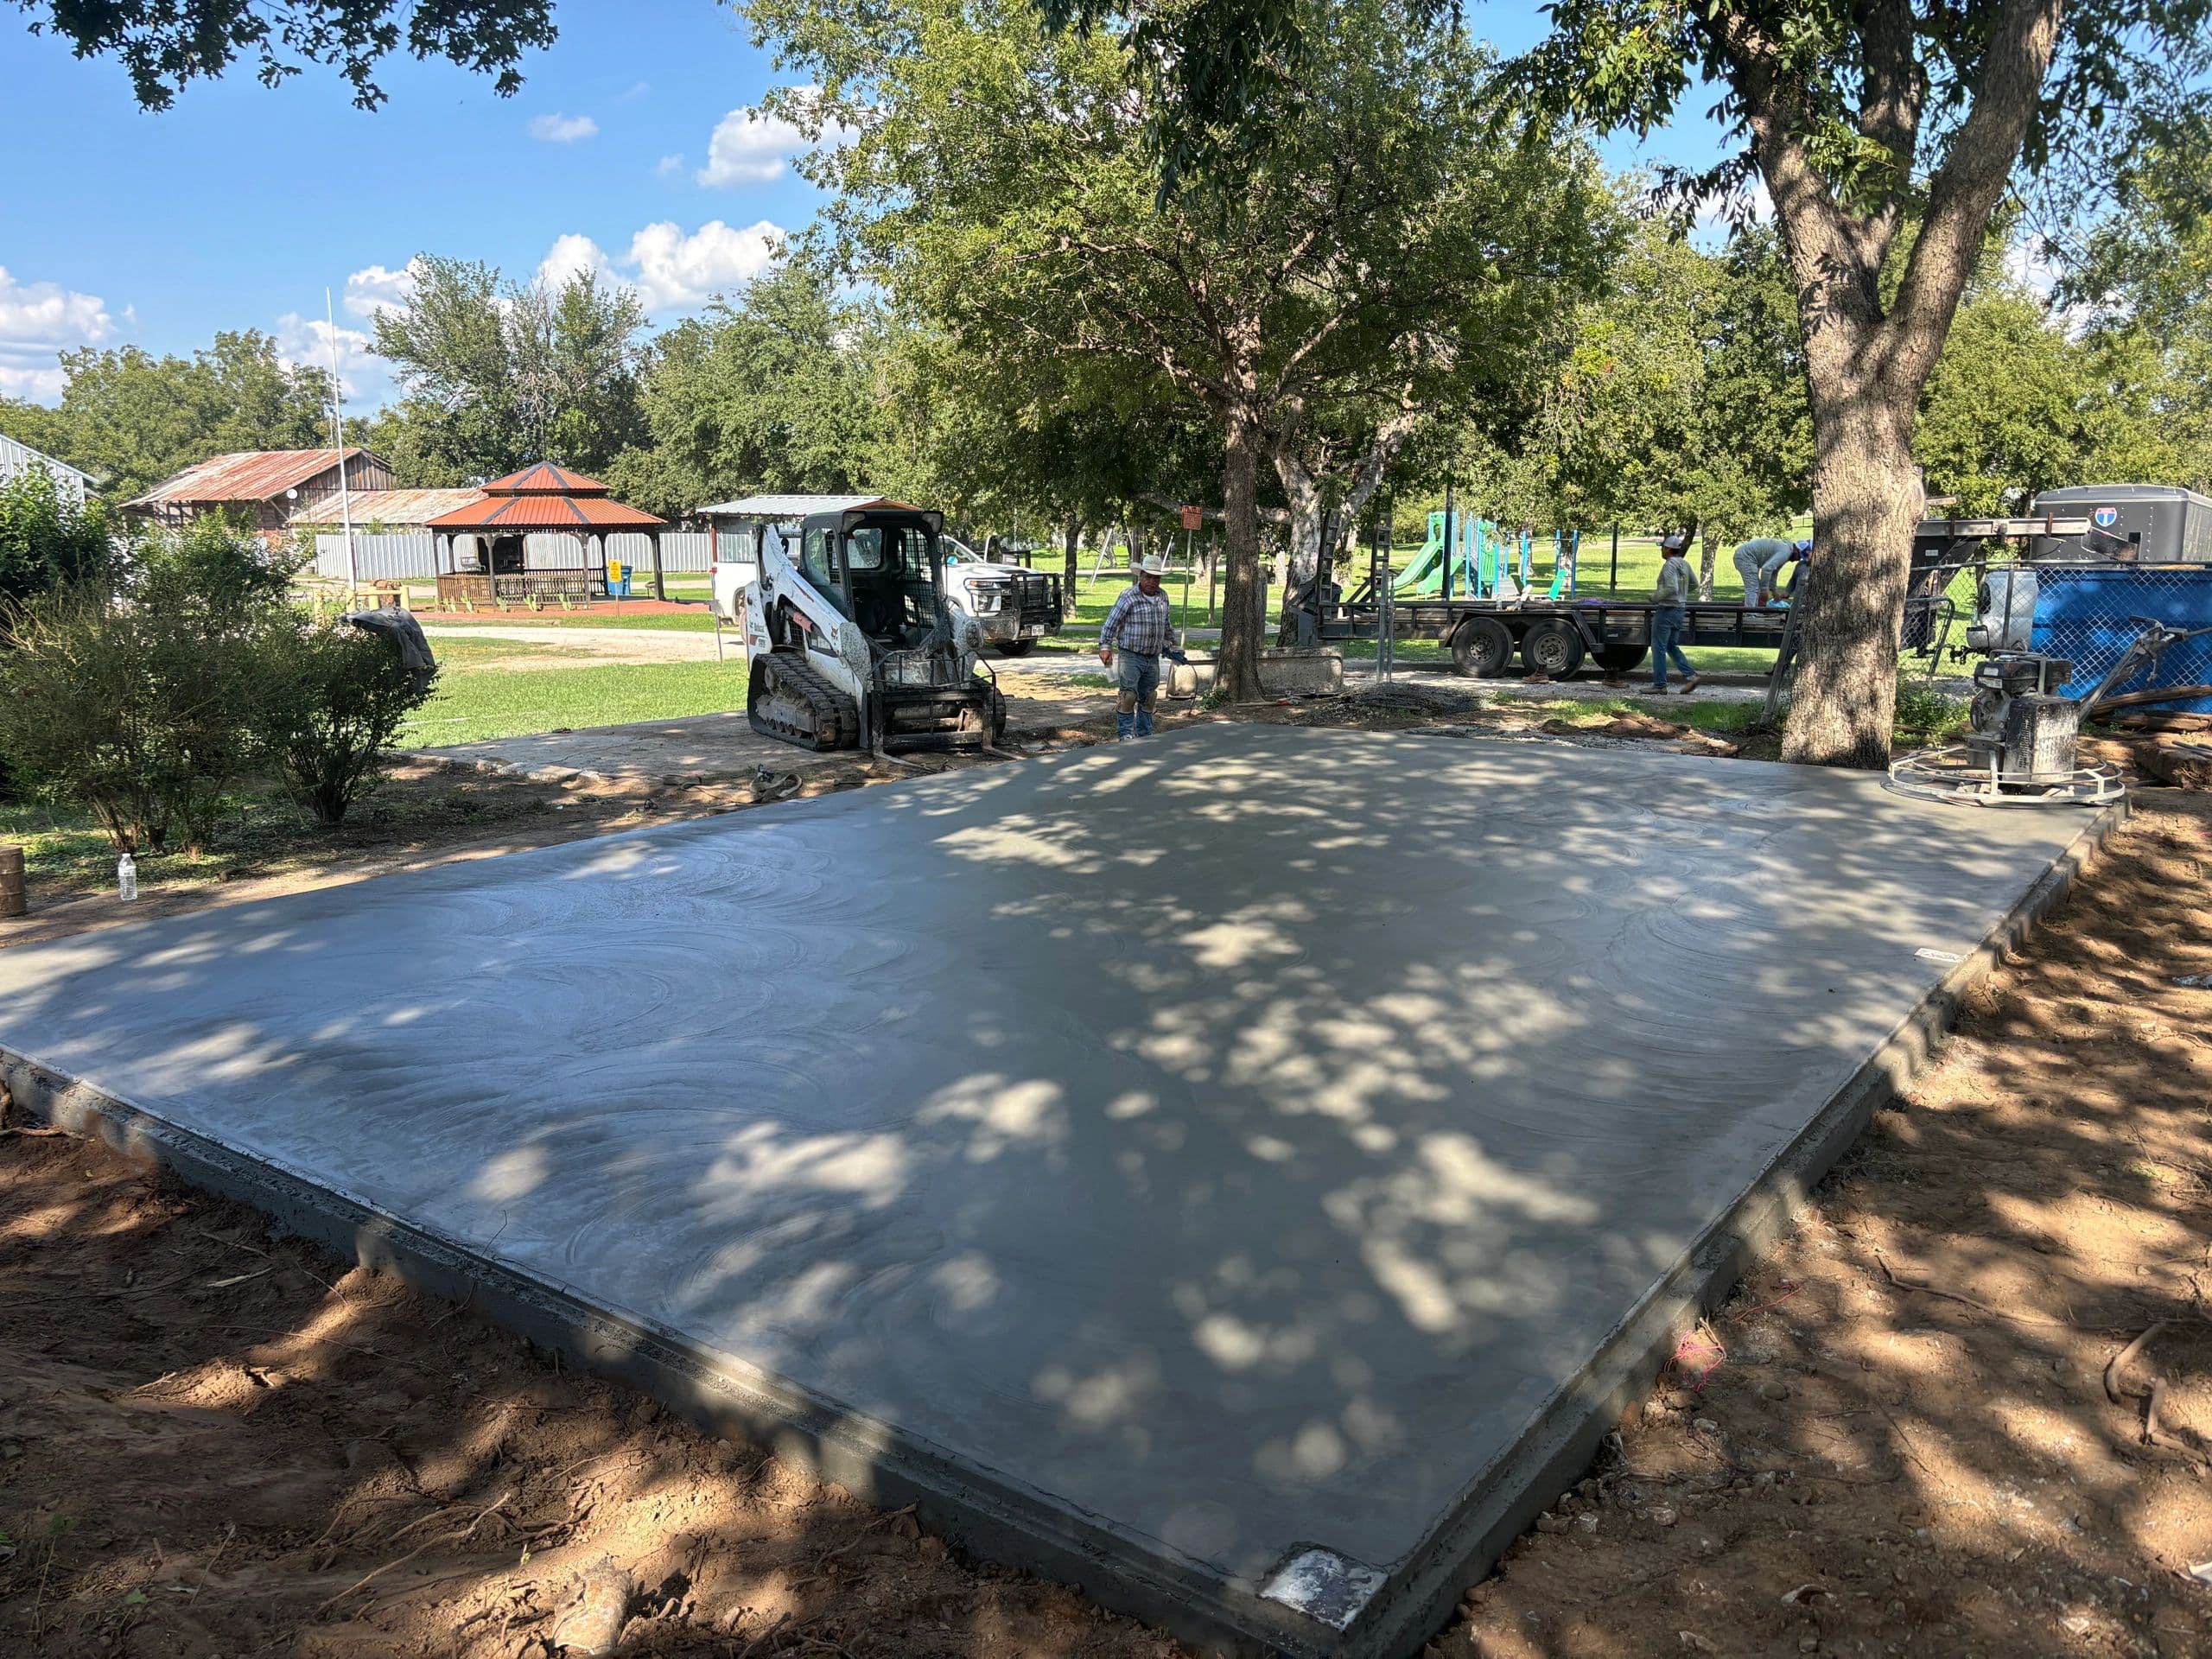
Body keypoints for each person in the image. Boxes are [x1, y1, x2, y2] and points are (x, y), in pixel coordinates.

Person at [1097, 550, 1182, 739]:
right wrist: (1105, 646)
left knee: (1149, 696)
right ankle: (1125, 734)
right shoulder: (1129, 596)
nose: (1152, 582)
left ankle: (1145, 733)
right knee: (1128, 696)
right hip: (1131, 655)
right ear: (1141, 576)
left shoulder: (1162, 597)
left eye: (1156, 578)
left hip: (1152, 656)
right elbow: (1112, 622)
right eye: (1149, 577)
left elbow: (1166, 624)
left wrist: (1172, 645)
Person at [1650, 532, 1700, 695]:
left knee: (1658, 646)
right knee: (1671, 645)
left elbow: (1672, 587)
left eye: (1663, 548)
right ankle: (1691, 676)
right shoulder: (1684, 564)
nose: (1661, 551)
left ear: (1667, 549)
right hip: (1680, 610)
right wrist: (1683, 595)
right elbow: (1694, 584)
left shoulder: (1669, 565)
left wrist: (1655, 598)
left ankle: (1659, 685)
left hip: (1667, 610)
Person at [1731, 536, 1795, 607]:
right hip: (1746, 557)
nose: (1797, 560)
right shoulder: (1786, 552)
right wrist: (1764, 590)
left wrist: (1774, 592)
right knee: (1753, 587)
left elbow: (1774, 572)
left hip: (1745, 555)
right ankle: (1750, 614)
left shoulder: (1785, 550)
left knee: (1755, 587)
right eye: (1800, 557)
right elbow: (1766, 569)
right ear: (1797, 551)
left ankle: (1753, 610)